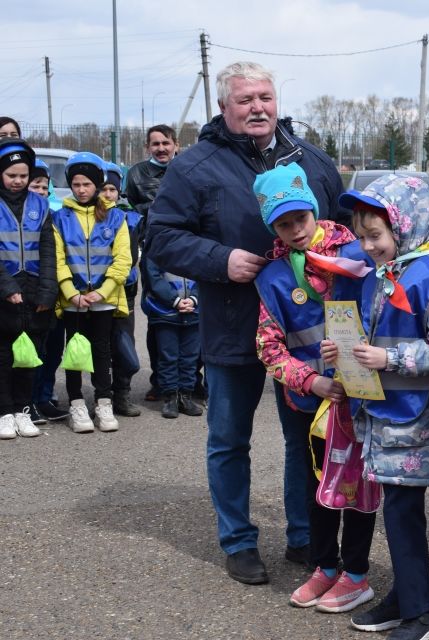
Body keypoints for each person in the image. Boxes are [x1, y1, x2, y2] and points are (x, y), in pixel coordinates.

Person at [144, 60, 348, 585]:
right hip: (233, 326)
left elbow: (345, 232)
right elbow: (161, 237)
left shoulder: (313, 161)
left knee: (305, 436)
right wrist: (220, 260)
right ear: (223, 107)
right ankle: (238, 541)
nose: (257, 108)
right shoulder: (194, 167)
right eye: (244, 100)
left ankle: (305, 536)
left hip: (304, 337)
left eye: (265, 97)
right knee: (230, 438)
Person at [326, 175, 429, 640]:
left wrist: (390, 358)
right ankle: (405, 597)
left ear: (406, 226)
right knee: (396, 510)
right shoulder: (380, 277)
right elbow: (367, 336)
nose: (367, 246)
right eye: (361, 237)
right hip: (385, 416)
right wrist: (341, 352)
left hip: (418, 421)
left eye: (376, 236)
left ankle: (423, 613)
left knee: (403, 512)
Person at [252, 163, 377, 615]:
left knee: (361, 485)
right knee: (321, 483)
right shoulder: (273, 277)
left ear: (314, 209)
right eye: (283, 225)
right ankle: (325, 565)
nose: (295, 231)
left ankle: (357, 574)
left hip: (364, 395)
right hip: (315, 401)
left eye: (300, 219)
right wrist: (314, 381)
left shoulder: (359, 255)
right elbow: (269, 347)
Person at [52, 152, 131, 433]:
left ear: (97, 185)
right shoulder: (59, 217)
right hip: (73, 300)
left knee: (101, 350)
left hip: (103, 300)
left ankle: (104, 401)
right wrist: (71, 293)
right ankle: (76, 403)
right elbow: (58, 259)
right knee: (74, 352)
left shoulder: (115, 217)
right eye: (76, 184)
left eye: (87, 184)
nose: (81, 190)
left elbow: (123, 259)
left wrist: (102, 292)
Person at [0, 139, 55, 439]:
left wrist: (48, 292)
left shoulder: (41, 205)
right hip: (4, 291)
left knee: (29, 354)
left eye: (23, 176)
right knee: (4, 354)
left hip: (34, 289)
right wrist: (6, 286)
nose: (18, 181)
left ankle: (23, 409)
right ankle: (4, 411)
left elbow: (49, 251)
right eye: (12, 175)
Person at [124, 124, 179, 403]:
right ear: (148, 147)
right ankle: (161, 380)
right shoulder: (135, 174)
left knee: (192, 314)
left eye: (165, 143)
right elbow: (130, 211)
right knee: (159, 315)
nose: (161, 148)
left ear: (175, 145)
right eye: (155, 144)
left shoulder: (186, 170)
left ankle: (192, 380)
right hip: (153, 251)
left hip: (185, 250)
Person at [28, 158, 69, 423]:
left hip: (57, 294)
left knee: (54, 350)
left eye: (45, 187)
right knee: (32, 353)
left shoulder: (56, 212)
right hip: (30, 294)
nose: (41, 192)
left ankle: (44, 397)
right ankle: (27, 401)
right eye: (36, 186)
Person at [102, 162, 143, 418]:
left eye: (112, 190)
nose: (108, 195)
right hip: (95, 293)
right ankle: (103, 395)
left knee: (123, 345)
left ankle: (122, 393)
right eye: (103, 189)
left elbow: (130, 257)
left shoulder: (131, 219)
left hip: (124, 293)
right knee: (100, 347)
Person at [140, 254, 203, 419]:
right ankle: (170, 397)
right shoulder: (157, 244)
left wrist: (195, 298)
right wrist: (174, 300)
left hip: (193, 311)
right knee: (168, 357)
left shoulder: (196, 243)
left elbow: (203, 273)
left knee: (190, 357)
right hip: (165, 312)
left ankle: (186, 396)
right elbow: (153, 277)